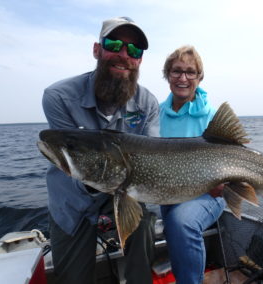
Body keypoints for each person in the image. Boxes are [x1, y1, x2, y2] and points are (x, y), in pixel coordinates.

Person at [42, 16, 159, 284]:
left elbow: (153, 159)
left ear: (139, 60)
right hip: (73, 199)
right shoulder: (58, 97)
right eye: (114, 44)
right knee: (72, 278)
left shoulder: (148, 103)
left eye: (134, 50)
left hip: (125, 191)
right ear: (97, 49)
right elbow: (67, 155)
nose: (123, 55)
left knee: (143, 229)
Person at [159, 45, 226, 284]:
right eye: (177, 71)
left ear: (199, 77)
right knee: (175, 234)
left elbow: (235, 156)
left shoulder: (212, 115)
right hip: (167, 195)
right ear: (168, 75)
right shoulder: (156, 115)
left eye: (191, 72)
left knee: (182, 222)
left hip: (208, 194)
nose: (183, 78)